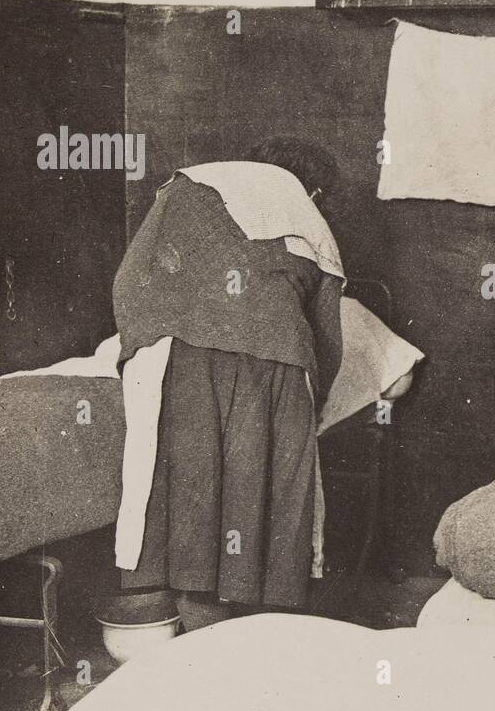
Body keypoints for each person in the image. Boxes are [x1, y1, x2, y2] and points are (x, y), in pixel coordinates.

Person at [109, 137, 345, 630]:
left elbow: (131, 281)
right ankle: (258, 644)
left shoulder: (190, 185)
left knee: (196, 498)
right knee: (265, 499)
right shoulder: (306, 214)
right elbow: (326, 333)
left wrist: (141, 353)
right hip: (280, 363)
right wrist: (309, 400)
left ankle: (200, 638)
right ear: (317, 190)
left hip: (188, 360)